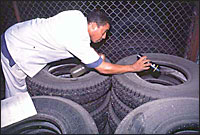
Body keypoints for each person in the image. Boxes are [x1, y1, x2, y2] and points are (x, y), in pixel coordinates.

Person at [1, 9, 151, 98]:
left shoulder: (77, 16)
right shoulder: (76, 38)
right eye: (104, 32)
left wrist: (94, 58)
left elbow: (79, 45)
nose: (104, 36)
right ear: (92, 25)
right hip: (15, 46)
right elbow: (102, 68)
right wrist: (133, 67)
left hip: (22, 34)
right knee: (17, 97)